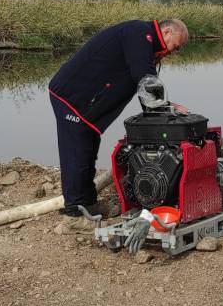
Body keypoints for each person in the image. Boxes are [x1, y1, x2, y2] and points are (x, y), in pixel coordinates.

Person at [48, 18, 189, 234]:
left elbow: (145, 85)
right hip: (73, 97)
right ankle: (73, 216)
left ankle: (88, 204)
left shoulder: (147, 45)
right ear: (167, 30)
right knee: (75, 153)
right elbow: (144, 77)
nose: (174, 51)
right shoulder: (140, 33)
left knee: (88, 150)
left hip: (88, 103)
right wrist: (163, 109)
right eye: (176, 46)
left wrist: (164, 108)